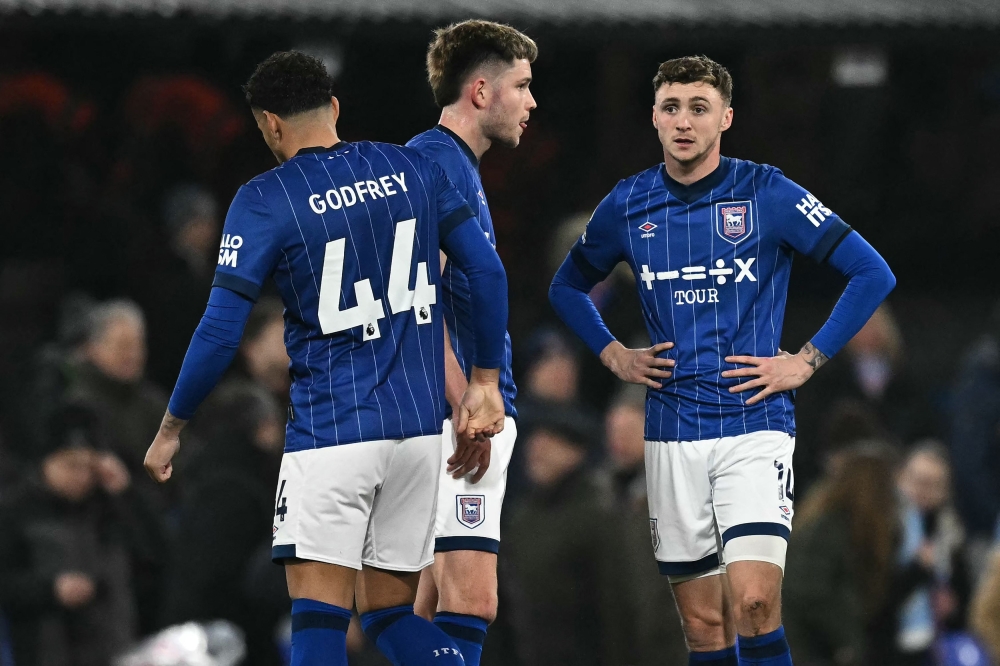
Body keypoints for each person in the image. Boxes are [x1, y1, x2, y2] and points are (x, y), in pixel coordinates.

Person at [142, 51, 509, 666]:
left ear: (269, 125)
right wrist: (485, 381)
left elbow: (219, 329)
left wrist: (172, 426)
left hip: (333, 432)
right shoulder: (412, 168)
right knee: (391, 615)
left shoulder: (266, 197)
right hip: (417, 438)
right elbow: (487, 269)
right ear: (334, 107)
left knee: (317, 623)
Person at [549, 55, 896, 666]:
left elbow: (872, 271)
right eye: (672, 107)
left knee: (756, 604)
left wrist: (806, 360)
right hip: (671, 431)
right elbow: (566, 287)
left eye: (699, 108)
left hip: (753, 425)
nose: (684, 121)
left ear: (726, 118)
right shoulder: (628, 204)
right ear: (654, 118)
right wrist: (612, 353)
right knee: (704, 624)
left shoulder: (766, 191)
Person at [405, 21, 537, 665]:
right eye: (522, 86)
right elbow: (416, 304)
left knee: (421, 604)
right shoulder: (436, 168)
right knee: (470, 601)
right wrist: (467, 403)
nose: (531, 102)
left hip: (446, 410)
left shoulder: (446, 164)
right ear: (481, 92)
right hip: (453, 415)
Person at [503, 407, 635, 666]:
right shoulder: (524, 512)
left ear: (576, 452)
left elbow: (615, 606)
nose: (536, 450)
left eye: (549, 442)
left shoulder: (598, 511)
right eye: (534, 440)